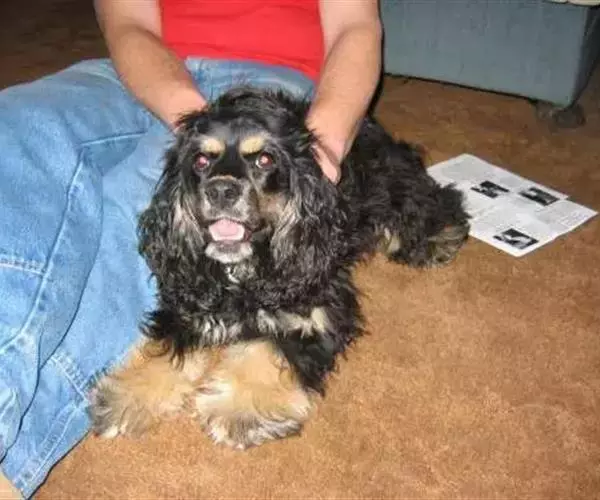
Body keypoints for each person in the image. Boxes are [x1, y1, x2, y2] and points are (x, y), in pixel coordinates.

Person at [0, 0, 382, 497]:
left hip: (269, 87)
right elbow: (126, 22)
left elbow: (355, 27)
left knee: (134, 202)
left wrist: (320, 148)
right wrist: (188, 120)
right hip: (136, 73)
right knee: (16, 130)